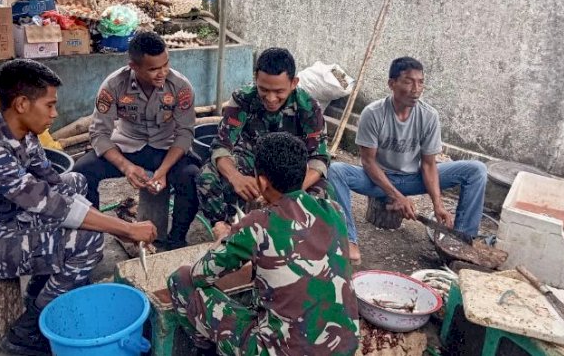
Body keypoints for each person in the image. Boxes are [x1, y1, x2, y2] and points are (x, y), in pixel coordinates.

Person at [0, 59, 157, 356]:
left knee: (74, 180)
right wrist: (125, 228)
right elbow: (51, 205)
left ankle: (41, 289)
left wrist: (111, 223)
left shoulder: (21, 132)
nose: (55, 114)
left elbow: (55, 184)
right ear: (22, 103)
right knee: (88, 241)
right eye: (49, 106)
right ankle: (30, 329)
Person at [168, 132, 359, 356]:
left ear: (262, 181)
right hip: (344, 347)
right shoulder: (333, 211)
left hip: (281, 351)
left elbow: (200, 275)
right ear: (304, 173)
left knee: (180, 279)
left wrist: (222, 240)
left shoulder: (258, 223)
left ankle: (205, 347)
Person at [328, 57, 487, 263]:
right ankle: (348, 240)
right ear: (391, 84)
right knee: (336, 170)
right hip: (377, 179)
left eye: (420, 82)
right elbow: (368, 162)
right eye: (408, 81)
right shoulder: (373, 113)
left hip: (414, 177)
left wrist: (438, 204)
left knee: (476, 170)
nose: (416, 88)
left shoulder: (429, 116)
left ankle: (461, 242)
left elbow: (429, 164)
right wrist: (396, 196)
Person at [73, 32, 200, 250]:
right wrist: (126, 167)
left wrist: (163, 171)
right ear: (134, 66)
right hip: (128, 146)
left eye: (165, 64)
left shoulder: (180, 86)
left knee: (191, 176)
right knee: (82, 172)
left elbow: (185, 134)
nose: (162, 73)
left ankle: (176, 240)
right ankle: (91, 240)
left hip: (166, 149)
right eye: (153, 69)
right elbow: (99, 134)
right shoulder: (113, 85)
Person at [197, 47, 332, 225]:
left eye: (279, 92)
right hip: (251, 162)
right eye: (264, 89)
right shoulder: (242, 98)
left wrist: (290, 192)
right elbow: (221, 147)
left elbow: (319, 160)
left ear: (294, 83)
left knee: (322, 196)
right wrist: (236, 177)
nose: (271, 98)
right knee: (207, 176)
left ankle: (297, 241)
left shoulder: (308, 107)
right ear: (256, 78)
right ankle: (227, 230)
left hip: (291, 172)